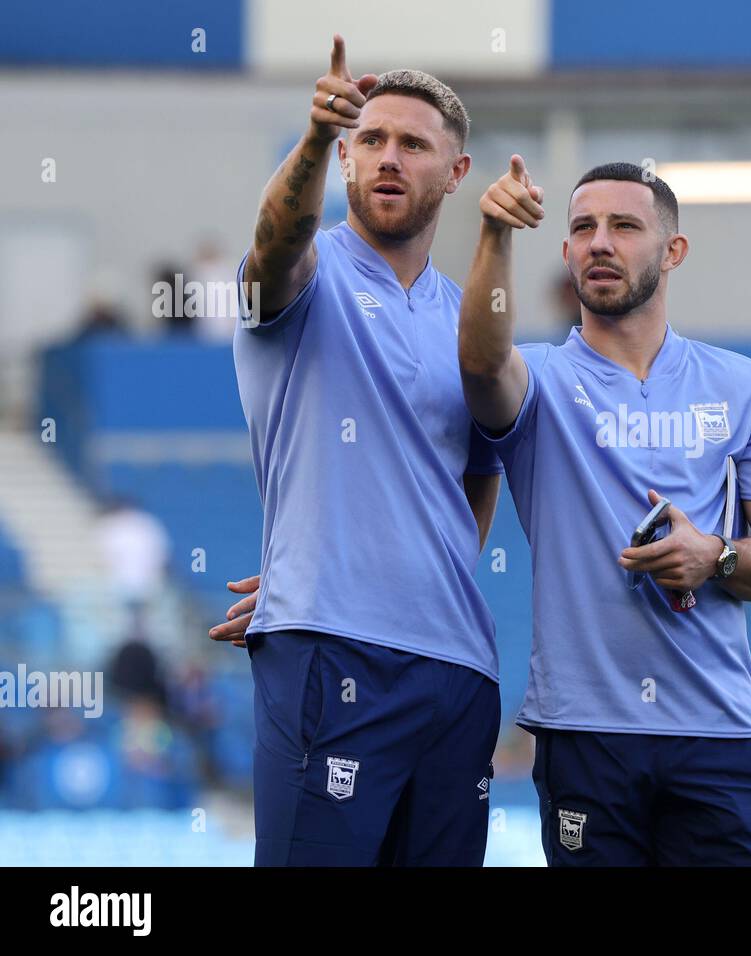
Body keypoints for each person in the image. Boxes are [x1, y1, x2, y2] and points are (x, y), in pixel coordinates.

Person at [459, 158, 751, 866]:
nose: (599, 243)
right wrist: (494, 233)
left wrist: (716, 556)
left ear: (672, 251)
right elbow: (480, 367)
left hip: (716, 730)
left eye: (624, 226)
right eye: (582, 228)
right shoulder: (540, 383)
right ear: (564, 253)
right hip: (585, 734)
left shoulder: (746, 389)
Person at [214, 35, 504, 866]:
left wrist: (402, 564)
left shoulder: (468, 325)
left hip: (458, 672)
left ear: (456, 172)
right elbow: (276, 236)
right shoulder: (305, 278)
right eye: (369, 140)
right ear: (342, 158)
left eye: (414, 144)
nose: (388, 157)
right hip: (329, 652)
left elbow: (475, 477)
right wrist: (308, 139)